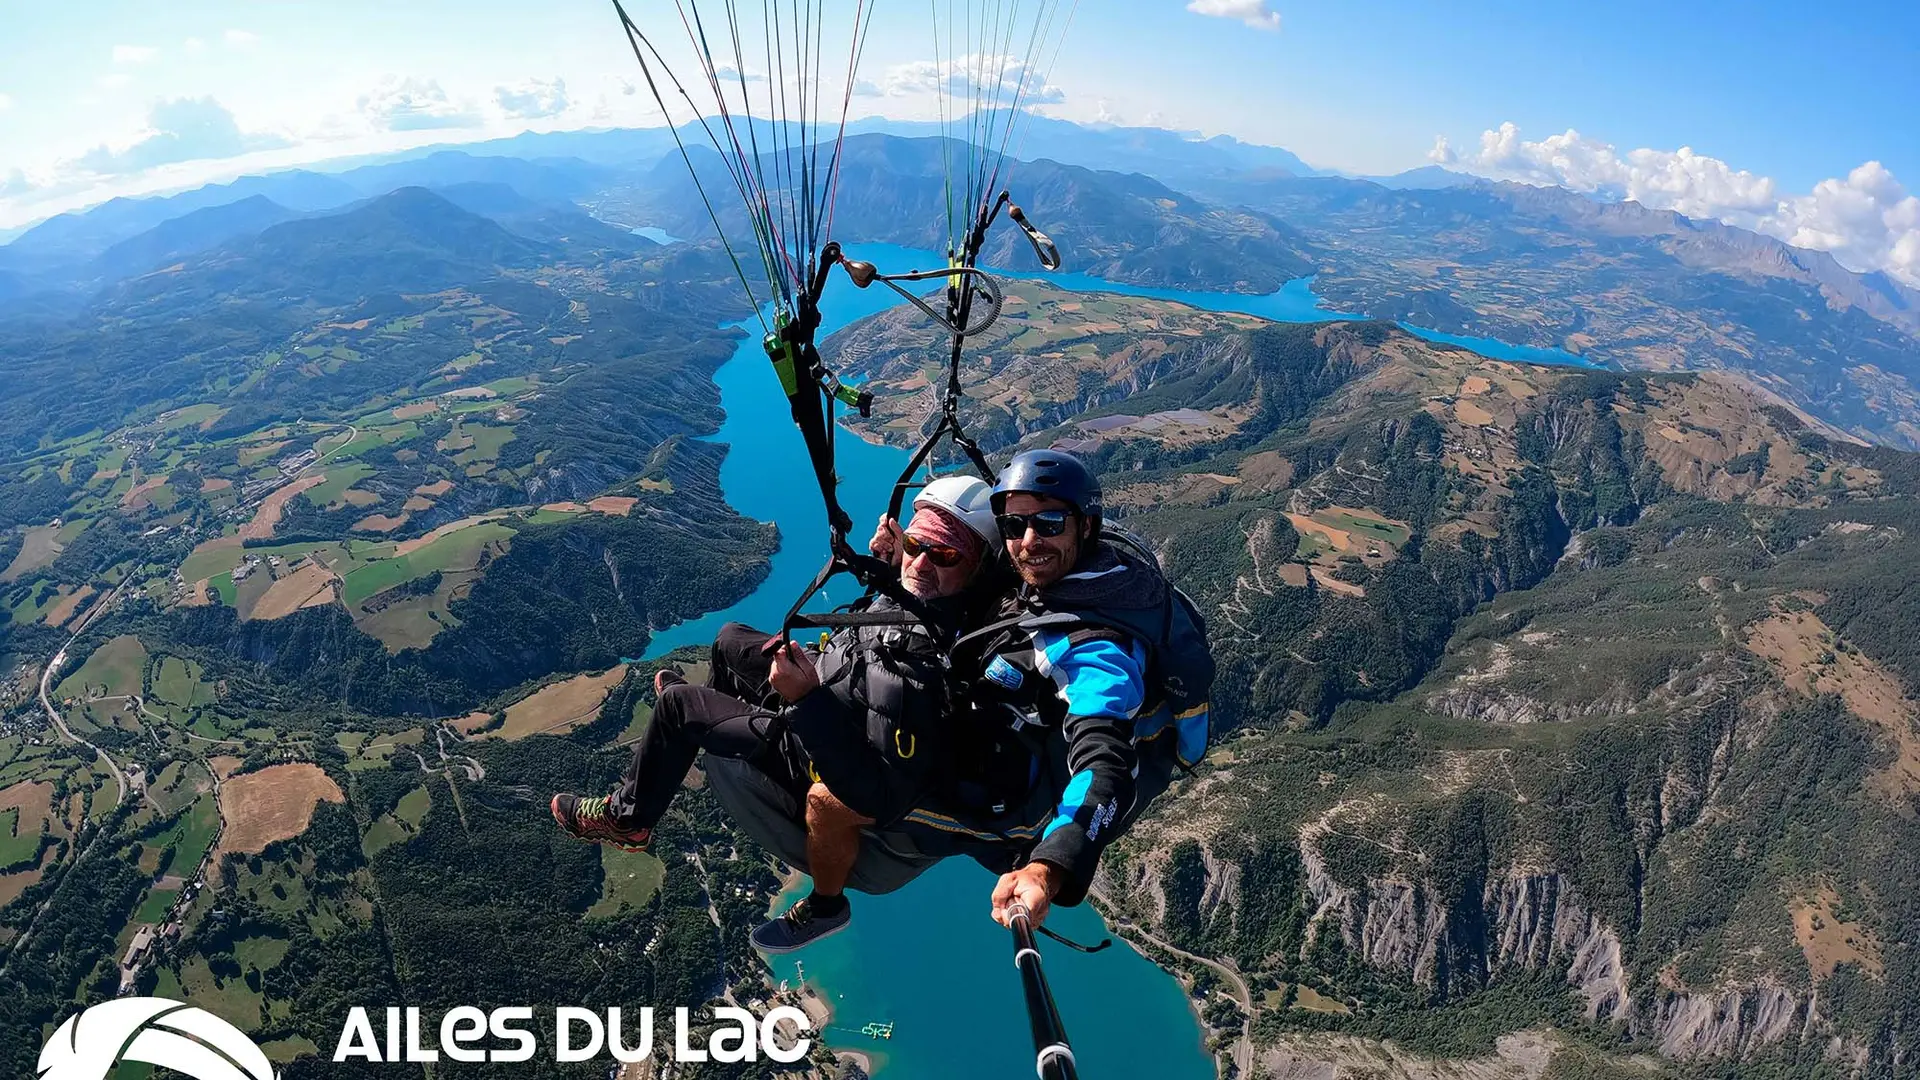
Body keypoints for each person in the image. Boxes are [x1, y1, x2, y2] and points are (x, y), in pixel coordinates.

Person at [549, 476, 1000, 951]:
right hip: (834, 691)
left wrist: (806, 699)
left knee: (677, 707)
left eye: (944, 554)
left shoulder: (924, 672)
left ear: (977, 566)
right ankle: (725, 718)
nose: (922, 561)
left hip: (813, 746)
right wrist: (889, 567)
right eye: (915, 543)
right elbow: (901, 608)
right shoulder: (941, 601)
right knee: (729, 638)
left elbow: (872, 796)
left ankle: (627, 820)